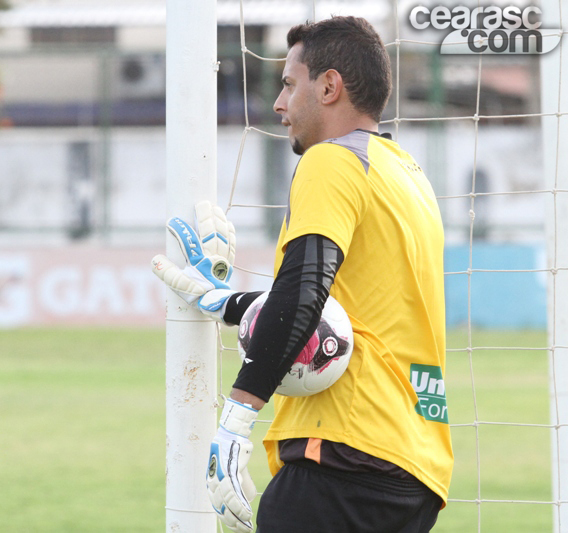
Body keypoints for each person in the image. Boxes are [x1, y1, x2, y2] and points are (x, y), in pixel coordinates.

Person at [153, 16, 452, 533]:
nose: (278, 104)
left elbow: (304, 292)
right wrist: (229, 302)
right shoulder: (406, 173)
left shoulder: (330, 161)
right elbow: (351, 307)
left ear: (329, 86)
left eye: (289, 84)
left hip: (340, 452)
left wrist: (235, 422)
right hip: (414, 465)